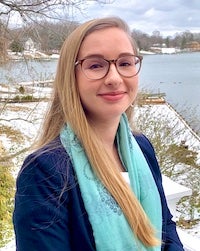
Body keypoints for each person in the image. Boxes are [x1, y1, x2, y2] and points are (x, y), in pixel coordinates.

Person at [13, 17, 184, 251]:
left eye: (125, 63)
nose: (114, 78)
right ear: (70, 77)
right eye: (95, 65)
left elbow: (165, 225)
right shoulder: (46, 171)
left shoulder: (142, 147)